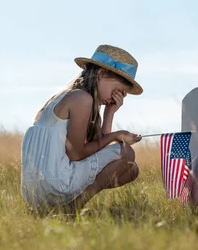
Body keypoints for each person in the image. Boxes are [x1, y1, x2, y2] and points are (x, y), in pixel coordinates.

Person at [21, 44, 144, 213]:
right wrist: (117, 136)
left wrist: (109, 113)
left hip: (33, 191)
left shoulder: (66, 96)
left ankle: (62, 207)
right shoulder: (82, 99)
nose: (118, 97)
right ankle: (74, 207)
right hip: (56, 182)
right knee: (126, 152)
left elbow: (97, 151)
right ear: (101, 74)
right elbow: (76, 154)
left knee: (131, 169)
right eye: (118, 90)